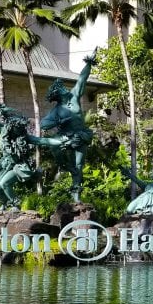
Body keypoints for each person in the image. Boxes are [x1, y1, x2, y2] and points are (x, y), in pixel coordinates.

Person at [40, 51, 97, 202]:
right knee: (56, 148)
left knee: (79, 166)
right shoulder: (57, 110)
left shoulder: (74, 97)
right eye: (61, 88)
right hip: (66, 137)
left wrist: (89, 64)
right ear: (57, 94)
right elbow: (43, 124)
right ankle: (62, 165)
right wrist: (58, 122)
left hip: (81, 135)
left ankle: (76, 194)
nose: (64, 88)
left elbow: (82, 79)